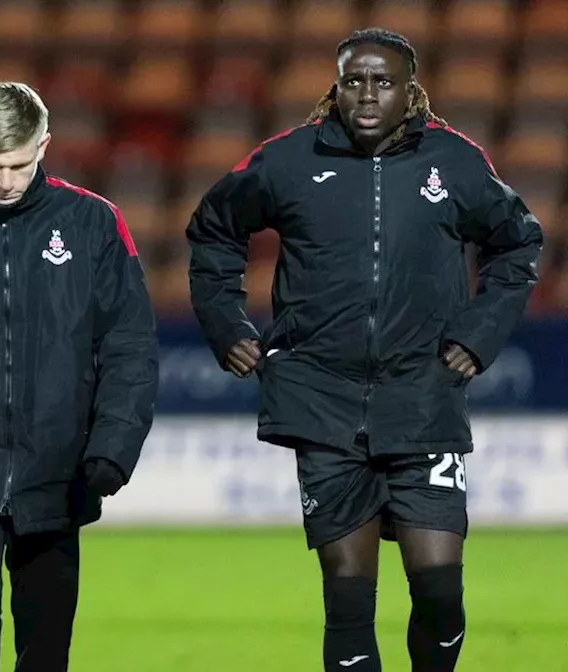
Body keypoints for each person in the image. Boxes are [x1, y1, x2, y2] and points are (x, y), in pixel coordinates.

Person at [186, 28, 543, 672]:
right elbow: (213, 232)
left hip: (423, 398)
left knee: (438, 590)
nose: (368, 95)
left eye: (384, 82)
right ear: (337, 88)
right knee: (348, 604)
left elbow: (517, 245)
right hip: (322, 403)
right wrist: (225, 323)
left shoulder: (456, 162)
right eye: (355, 82)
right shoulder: (286, 160)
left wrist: (479, 332)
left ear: (412, 93)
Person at [0, 82, 159, 672]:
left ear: (45, 144)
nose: (6, 180)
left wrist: (112, 449)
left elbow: (130, 346)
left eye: (20, 163)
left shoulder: (93, 223)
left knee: (45, 653)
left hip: (59, 474)